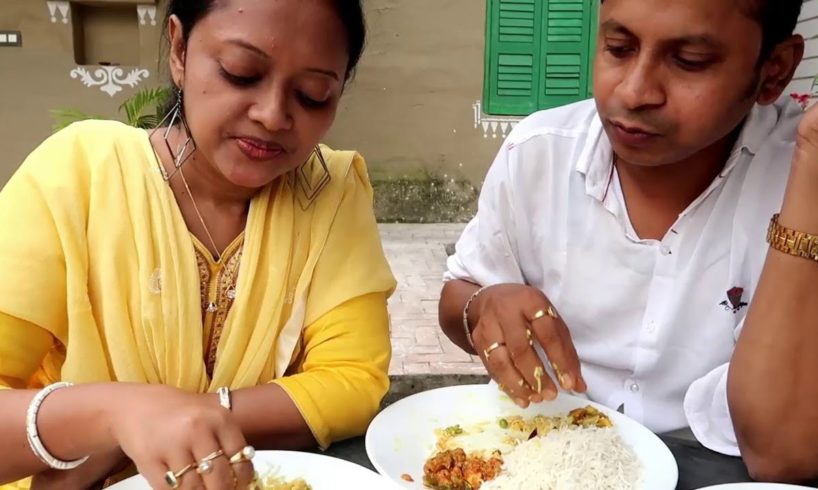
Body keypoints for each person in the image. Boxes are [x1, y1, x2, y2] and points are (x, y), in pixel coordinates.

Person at [0, 0, 396, 488]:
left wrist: (184, 419)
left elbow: (352, 380)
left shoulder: (328, 192)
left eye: (313, 95)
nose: (273, 115)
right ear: (181, 49)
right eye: (241, 72)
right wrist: (112, 416)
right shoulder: (78, 175)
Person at [439, 0, 818, 482]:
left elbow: (787, 458)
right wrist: (482, 303)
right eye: (618, 48)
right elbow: (458, 300)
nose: (634, 91)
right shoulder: (538, 153)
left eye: (689, 62)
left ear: (774, 71)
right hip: (541, 459)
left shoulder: (801, 179)